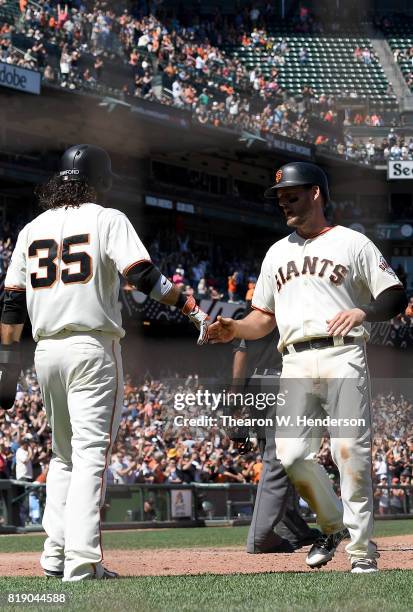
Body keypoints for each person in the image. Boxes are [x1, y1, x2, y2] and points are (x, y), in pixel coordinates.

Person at [0, 144, 209, 581]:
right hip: (91, 346)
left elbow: (12, 307)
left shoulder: (31, 228)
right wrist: (187, 304)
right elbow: (143, 277)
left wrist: (6, 368)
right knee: (91, 452)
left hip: (45, 352)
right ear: (102, 182)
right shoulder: (107, 218)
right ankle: (82, 562)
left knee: (62, 457)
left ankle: (55, 557)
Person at [208, 161, 407, 573]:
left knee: (350, 451)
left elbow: (394, 296)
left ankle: (362, 555)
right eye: (280, 197)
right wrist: (233, 329)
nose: (284, 203)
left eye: (291, 195)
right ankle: (335, 526)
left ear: (316, 193)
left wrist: (362, 311)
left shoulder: (353, 243)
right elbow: (262, 319)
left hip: (343, 354)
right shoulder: (277, 252)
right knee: (292, 454)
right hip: (294, 360)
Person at [229, 315, 320, 553]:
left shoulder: (249, 317)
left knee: (280, 459)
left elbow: (241, 354)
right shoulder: (293, 309)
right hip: (281, 383)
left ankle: (293, 529)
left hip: (257, 385)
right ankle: (261, 536)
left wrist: (236, 395)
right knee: (279, 459)